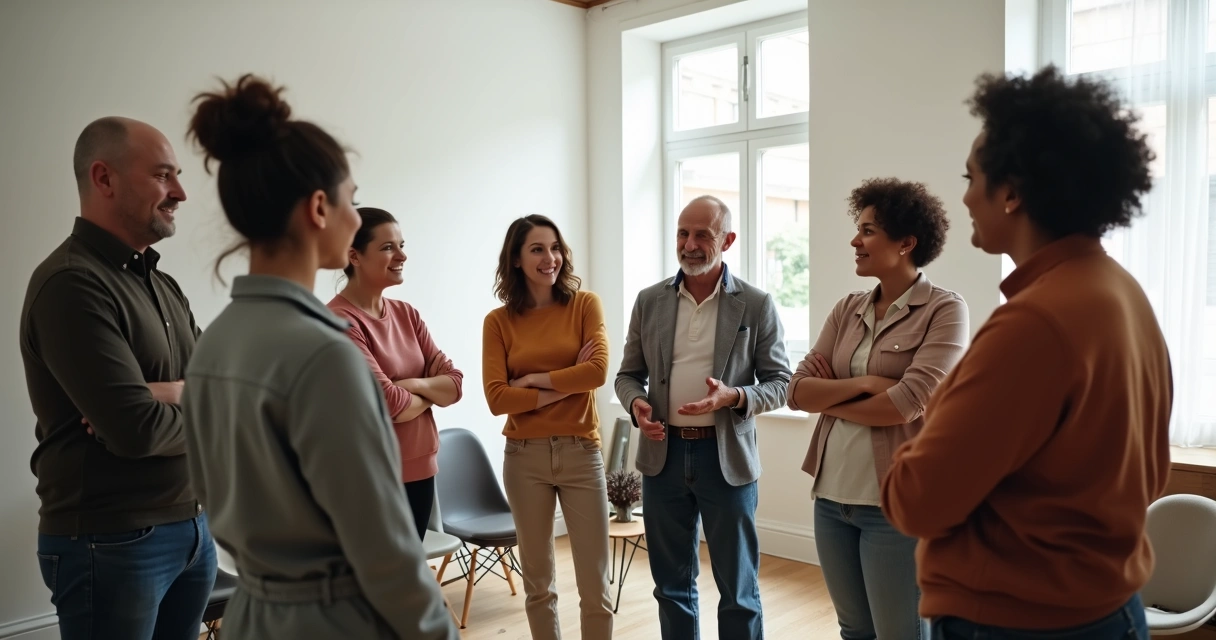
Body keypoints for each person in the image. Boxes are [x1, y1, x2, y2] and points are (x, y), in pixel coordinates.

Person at [881, 66, 1172, 639]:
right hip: (1107, 608)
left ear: (1011, 192)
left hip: (1017, 621)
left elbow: (916, 501)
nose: (965, 196)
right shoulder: (1119, 290)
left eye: (971, 178)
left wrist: (928, 417)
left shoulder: (1034, 323)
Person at [179, 73, 457, 639]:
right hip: (335, 621)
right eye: (351, 200)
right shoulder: (323, 352)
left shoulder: (214, 342)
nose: (356, 218)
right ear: (319, 209)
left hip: (253, 618)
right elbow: (385, 551)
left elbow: (211, 496)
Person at [19, 116, 216, 640]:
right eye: (163, 175)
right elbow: (136, 430)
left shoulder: (163, 284)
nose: (180, 193)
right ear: (104, 178)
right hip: (111, 541)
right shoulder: (72, 283)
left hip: (193, 527)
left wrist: (170, 393)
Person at [787, 178, 968, 640]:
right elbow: (798, 392)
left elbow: (905, 405)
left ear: (906, 243)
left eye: (868, 231)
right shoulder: (846, 309)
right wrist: (869, 385)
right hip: (831, 499)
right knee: (854, 630)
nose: (855, 241)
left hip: (895, 507)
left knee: (899, 633)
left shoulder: (945, 310)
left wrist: (835, 395)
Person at [615, 195, 791, 640]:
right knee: (671, 587)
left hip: (725, 459)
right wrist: (636, 405)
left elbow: (781, 383)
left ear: (727, 240)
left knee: (739, 590)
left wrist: (733, 396)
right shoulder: (649, 300)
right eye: (682, 233)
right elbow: (627, 376)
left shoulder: (755, 303)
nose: (689, 244)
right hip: (663, 456)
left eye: (702, 235)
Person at [481, 214, 613, 640]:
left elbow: (596, 372)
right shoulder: (498, 322)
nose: (550, 258)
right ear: (516, 259)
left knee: (596, 586)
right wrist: (565, 383)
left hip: (581, 452)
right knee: (538, 586)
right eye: (537, 249)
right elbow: (497, 399)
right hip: (525, 458)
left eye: (555, 248)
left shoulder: (584, 305)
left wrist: (534, 380)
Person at [327, 206, 463, 542]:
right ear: (354, 256)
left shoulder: (407, 314)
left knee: (408, 566)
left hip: (421, 467)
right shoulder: (339, 322)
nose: (402, 256)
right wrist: (427, 394)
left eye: (401, 245)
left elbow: (455, 386)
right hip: (371, 476)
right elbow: (391, 404)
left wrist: (412, 385)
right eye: (388, 247)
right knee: (378, 573)